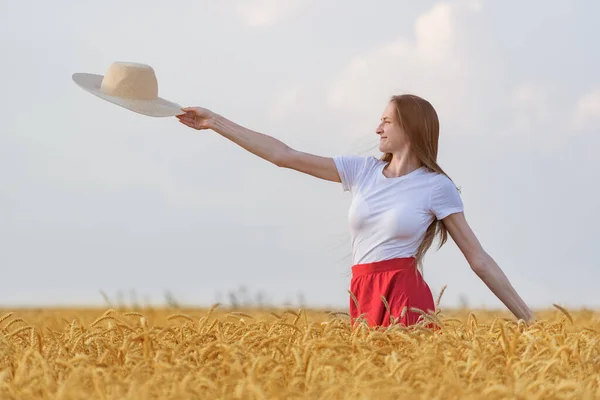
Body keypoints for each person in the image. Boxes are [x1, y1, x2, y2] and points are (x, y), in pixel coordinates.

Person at [176, 94, 534, 328]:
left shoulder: (436, 187)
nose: (377, 128)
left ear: (409, 127)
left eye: (386, 121)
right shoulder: (362, 172)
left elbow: (479, 260)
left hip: (404, 294)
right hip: (361, 291)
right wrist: (215, 123)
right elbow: (283, 155)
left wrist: (529, 319)